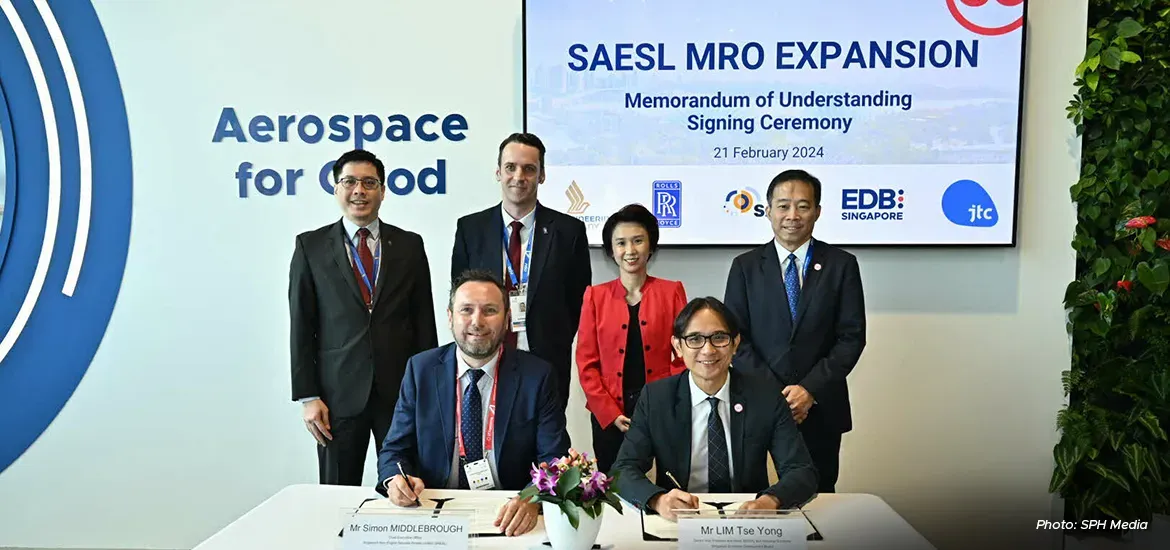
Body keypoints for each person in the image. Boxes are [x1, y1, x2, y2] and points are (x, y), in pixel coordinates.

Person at [376, 269, 570, 537]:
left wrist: (533, 497)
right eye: (466, 310)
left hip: (507, 514)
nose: (477, 322)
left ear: (507, 319)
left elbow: (556, 458)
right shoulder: (420, 370)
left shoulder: (537, 376)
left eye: (490, 310)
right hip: (434, 511)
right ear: (450, 317)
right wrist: (395, 480)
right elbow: (393, 451)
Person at [289, 149, 438, 486]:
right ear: (335, 188)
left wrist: (430, 389)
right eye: (350, 182)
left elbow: (423, 323)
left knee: (404, 485)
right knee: (336, 494)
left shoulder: (409, 245)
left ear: (383, 191)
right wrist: (308, 396)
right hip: (336, 397)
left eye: (369, 183)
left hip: (400, 392)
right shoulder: (309, 247)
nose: (359, 190)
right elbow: (301, 326)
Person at [723, 169, 866, 494]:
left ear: (817, 211)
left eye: (803, 206)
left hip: (820, 407)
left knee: (818, 496)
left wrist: (808, 390)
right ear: (768, 210)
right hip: (758, 406)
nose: (792, 215)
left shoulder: (841, 264)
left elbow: (851, 337)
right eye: (783, 205)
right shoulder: (745, 267)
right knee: (755, 496)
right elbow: (735, 340)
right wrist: (776, 394)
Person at [612, 297, 818, 520]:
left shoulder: (766, 397)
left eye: (719, 338)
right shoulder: (656, 398)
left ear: (735, 343)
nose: (708, 350)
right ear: (678, 346)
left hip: (747, 520)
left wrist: (772, 500)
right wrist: (658, 500)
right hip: (681, 520)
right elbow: (623, 470)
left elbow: (801, 471)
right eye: (695, 339)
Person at [450, 132, 591, 413]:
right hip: (485, 357)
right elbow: (460, 295)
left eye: (529, 169)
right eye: (511, 167)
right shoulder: (471, 229)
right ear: (498, 172)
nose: (519, 176)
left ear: (542, 175)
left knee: (544, 444)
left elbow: (578, 300)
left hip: (545, 361)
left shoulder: (568, 232)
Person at [576, 204, 687, 473]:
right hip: (611, 412)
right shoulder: (595, 296)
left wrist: (667, 403)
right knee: (613, 485)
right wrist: (609, 413)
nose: (630, 250)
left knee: (670, 481)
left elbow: (684, 354)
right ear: (611, 250)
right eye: (621, 243)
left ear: (650, 246)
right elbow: (586, 363)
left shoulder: (672, 291)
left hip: (663, 408)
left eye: (638, 241)